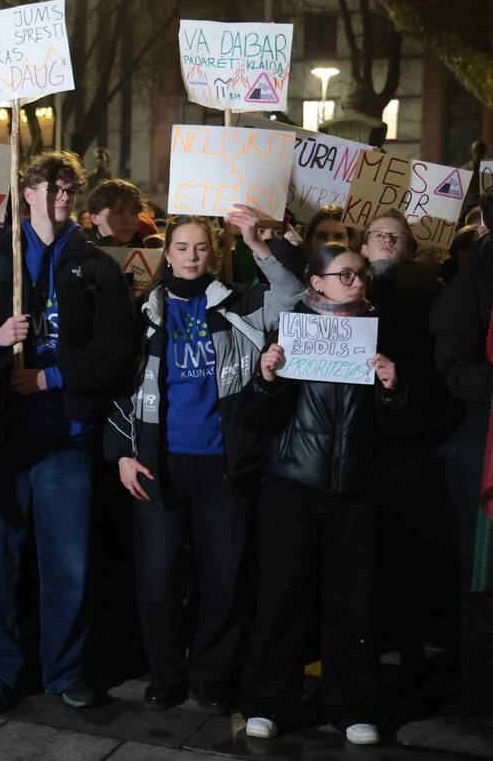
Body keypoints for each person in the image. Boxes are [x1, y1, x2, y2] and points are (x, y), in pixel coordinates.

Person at [0, 151, 138, 714]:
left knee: (68, 563)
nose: (61, 198)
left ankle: (65, 670)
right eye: (51, 188)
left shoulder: (96, 266)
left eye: (69, 190)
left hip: (66, 435)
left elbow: (117, 351)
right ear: (28, 192)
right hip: (3, 439)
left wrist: (53, 376)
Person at [106, 210, 304, 714]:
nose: (191, 257)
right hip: (158, 463)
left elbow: (294, 297)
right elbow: (119, 386)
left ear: (213, 253)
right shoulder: (142, 312)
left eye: (200, 248)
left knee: (224, 576)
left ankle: (211, 676)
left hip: (226, 464)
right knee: (158, 577)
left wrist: (257, 243)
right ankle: (166, 676)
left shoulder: (239, 303)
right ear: (166, 253)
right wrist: (124, 455)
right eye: (182, 247)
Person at [238, 244, 406, 744]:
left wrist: (394, 387)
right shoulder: (292, 327)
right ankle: (269, 701)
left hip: (356, 490)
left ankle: (353, 705)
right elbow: (259, 419)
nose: (357, 281)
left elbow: (398, 425)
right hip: (293, 486)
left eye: (361, 274)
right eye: (346, 274)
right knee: (283, 597)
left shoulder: (381, 328)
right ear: (316, 282)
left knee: (351, 603)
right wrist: (267, 378)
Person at [359, 211, 453, 695]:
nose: (385, 242)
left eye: (394, 236)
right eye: (376, 234)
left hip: (408, 438)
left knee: (409, 551)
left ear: (410, 247)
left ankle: (412, 648)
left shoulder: (426, 294)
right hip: (360, 440)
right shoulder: (347, 284)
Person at [432, 194, 493, 721]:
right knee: (482, 576)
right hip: (483, 451)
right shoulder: (467, 290)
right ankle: (480, 695)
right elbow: (456, 373)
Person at [88, 178, 145, 248]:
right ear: (95, 218)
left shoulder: (153, 256)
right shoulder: (77, 254)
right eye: (119, 212)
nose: (128, 221)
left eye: (133, 213)